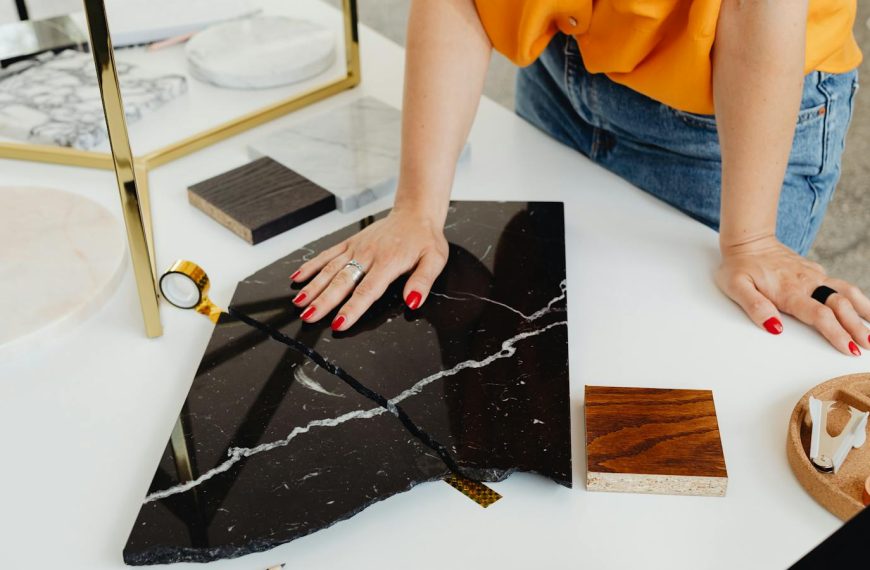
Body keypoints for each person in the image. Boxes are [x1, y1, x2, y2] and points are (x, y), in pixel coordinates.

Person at [288, 0, 869, 356]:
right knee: (539, 346)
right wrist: (416, 207)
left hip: (724, 113)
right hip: (560, 72)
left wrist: (752, 241)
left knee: (689, 378)